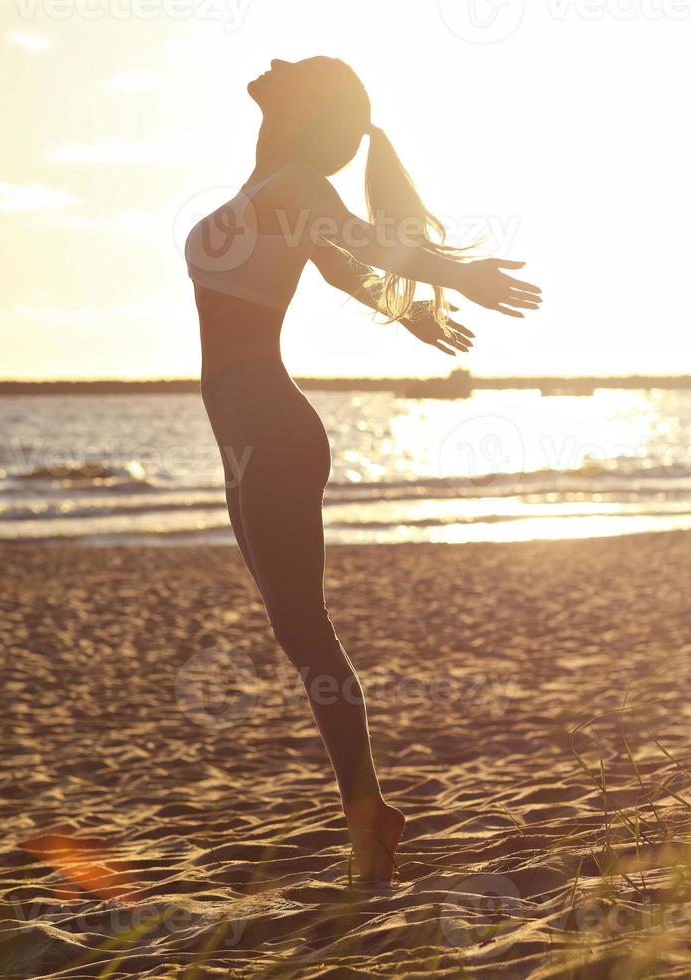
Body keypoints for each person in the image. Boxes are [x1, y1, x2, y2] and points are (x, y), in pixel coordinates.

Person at [184, 56, 541, 884]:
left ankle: (368, 816)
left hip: (273, 428)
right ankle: (368, 813)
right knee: (295, 630)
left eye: (295, 71)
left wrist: (458, 279)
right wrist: (413, 315)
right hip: (243, 438)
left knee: (307, 628)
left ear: (308, 105)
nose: (272, 66)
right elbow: (347, 270)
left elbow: (366, 243)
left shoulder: (302, 183)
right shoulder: (269, 186)